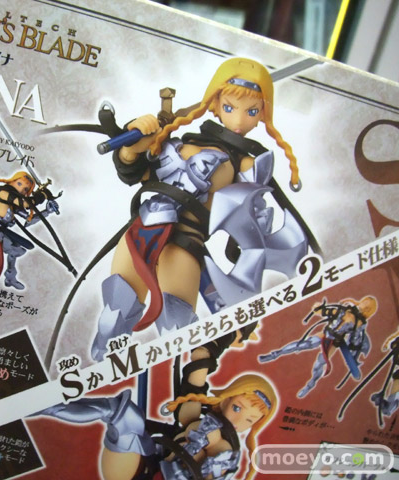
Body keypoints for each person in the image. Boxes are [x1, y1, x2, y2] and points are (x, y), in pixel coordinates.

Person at [91, 57, 305, 361]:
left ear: (262, 115)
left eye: (251, 111)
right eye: (229, 107)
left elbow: (250, 222)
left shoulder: (246, 163)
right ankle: (98, 367)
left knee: (173, 327)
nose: (239, 119)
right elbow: (134, 174)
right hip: (141, 229)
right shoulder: (178, 142)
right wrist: (132, 147)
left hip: (184, 241)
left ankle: (162, 378)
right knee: (115, 310)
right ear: (215, 104)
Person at [39, 373, 277, 480]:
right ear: (226, 399)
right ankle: (42, 405)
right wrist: (204, 354)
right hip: (140, 468)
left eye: (250, 420)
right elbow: (193, 392)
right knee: (122, 413)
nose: (238, 421)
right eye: (237, 408)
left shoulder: (227, 452)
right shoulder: (205, 420)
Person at [259, 295, 377, 398]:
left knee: (320, 363)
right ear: (362, 301)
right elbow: (327, 312)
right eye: (365, 303)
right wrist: (319, 309)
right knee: (303, 344)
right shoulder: (345, 310)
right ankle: (274, 354)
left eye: (369, 307)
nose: (365, 307)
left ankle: (310, 385)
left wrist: (353, 352)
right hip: (325, 333)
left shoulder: (359, 323)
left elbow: (355, 341)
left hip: (334, 342)